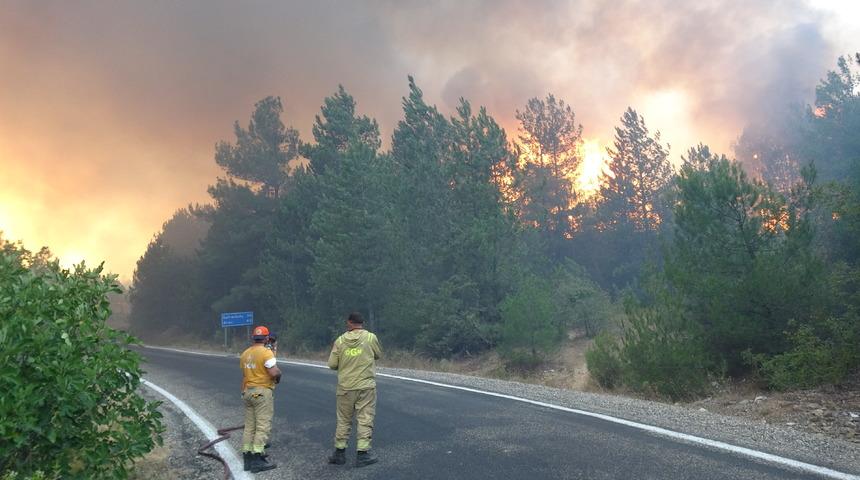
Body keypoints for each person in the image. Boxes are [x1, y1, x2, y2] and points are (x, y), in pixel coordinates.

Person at [327, 312, 382, 467]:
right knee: (365, 418)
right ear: (362, 323)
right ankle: (363, 454)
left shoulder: (339, 341)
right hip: (366, 387)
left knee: (344, 420)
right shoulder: (371, 338)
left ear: (349, 323)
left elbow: (332, 364)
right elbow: (378, 354)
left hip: (345, 387)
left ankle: (339, 453)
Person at [240, 325, 281, 473]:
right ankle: (258, 458)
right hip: (261, 392)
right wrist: (279, 376)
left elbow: (245, 374)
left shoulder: (245, 353)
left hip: (248, 392)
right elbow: (274, 372)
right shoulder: (266, 352)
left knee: (250, 426)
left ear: (253, 338)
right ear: (266, 338)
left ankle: (247, 458)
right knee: (263, 425)